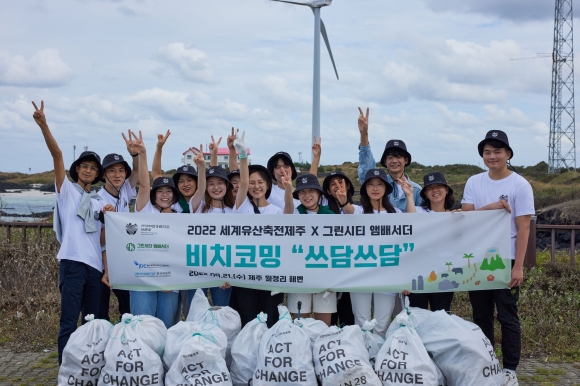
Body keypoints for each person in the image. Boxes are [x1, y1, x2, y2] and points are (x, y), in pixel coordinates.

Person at [32, 101, 115, 364]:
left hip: (93, 267)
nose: (88, 170)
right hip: (71, 262)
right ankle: (65, 371)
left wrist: (110, 219)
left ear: (97, 174)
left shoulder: (100, 201)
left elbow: (101, 239)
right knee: (68, 320)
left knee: (92, 322)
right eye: (84, 166)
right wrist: (44, 125)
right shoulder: (66, 192)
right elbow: (57, 156)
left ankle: (88, 369)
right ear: (77, 170)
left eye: (93, 168)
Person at [461, 130, 534, 386]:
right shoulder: (474, 182)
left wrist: (518, 267)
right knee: (480, 315)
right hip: (477, 260)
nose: (491, 156)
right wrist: (490, 207)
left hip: (506, 259)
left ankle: (510, 369)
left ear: (508, 154)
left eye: (497, 151)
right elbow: (466, 216)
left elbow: (524, 228)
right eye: (487, 152)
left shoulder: (520, 184)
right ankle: (487, 363)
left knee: (507, 316)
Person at [342, 168, 415, 338]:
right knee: (361, 322)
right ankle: (363, 358)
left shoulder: (395, 213)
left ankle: (378, 358)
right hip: (359, 274)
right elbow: (348, 210)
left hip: (387, 274)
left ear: (386, 188)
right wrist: (344, 202)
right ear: (365, 188)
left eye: (380, 184)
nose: (375, 188)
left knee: (382, 323)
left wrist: (410, 196)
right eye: (371, 184)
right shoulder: (359, 211)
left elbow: (412, 225)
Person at [189, 132, 250, 307]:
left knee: (222, 315)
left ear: (227, 186)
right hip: (197, 269)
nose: (216, 188)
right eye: (211, 184)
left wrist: (242, 154)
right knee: (195, 316)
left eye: (220, 183)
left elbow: (244, 183)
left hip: (224, 273)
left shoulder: (234, 209)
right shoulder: (198, 206)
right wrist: (201, 168)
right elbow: (200, 190)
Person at [129, 130, 181, 329]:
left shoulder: (179, 217)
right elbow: (144, 183)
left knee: (166, 328)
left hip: (170, 282)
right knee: (142, 327)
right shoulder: (144, 208)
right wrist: (142, 154)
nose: (165, 195)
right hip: (142, 278)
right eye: (160, 191)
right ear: (153, 194)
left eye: (169, 192)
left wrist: (171, 279)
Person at [230, 156, 289, 327]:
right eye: (252, 182)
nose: (256, 186)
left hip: (271, 274)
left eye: (261, 182)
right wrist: (241, 156)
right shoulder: (242, 207)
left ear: (268, 184)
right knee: (248, 319)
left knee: (271, 318)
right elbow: (242, 181)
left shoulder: (276, 211)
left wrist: (288, 190)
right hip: (245, 274)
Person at [151, 130, 198, 321]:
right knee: (172, 314)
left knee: (194, 310)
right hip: (172, 264)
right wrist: (159, 148)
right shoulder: (171, 205)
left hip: (195, 263)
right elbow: (156, 176)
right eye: (181, 181)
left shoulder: (201, 203)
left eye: (190, 180)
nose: (186, 184)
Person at [281, 172, 336, 326]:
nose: (307, 195)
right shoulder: (294, 213)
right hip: (299, 277)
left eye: (311, 191)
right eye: (302, 192)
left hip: (325, 279)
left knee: (323, 326)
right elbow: (288, 205)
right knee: (299, 325)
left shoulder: (331, 216)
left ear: (318, 193)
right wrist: (288, 189)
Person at [98, 142, 139, 321]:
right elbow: (98, 240)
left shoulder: (124, 192)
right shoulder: (97, 199)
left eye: (121, 170)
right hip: (101, 262)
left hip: (124, 259)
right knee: (100, 309)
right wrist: (109, 221)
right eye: (112, 171)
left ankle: (126, 342)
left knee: (128, 307)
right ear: (104, 174)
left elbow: (137, 173)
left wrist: (135, 156)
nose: (117, 175)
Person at [403, 172, 456, 312]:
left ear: (447, 190)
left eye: (439, 186)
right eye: (430, 188)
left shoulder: (455, 215)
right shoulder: (418, 211)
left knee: (441, 316)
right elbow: (410, 223)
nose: (435, 191)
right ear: (425, 193)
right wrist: (409, 195)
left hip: (444, 275)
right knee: (417, 316)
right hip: (417, 275)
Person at [356, 107, 422, 211]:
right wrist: (364, 134)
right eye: (390, 157)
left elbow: (427, 217)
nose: (394, 161)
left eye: (398, 157)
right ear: (385, 162)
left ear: (406, 160)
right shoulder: (377, 184)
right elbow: (366, 167)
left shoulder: (417, 190)